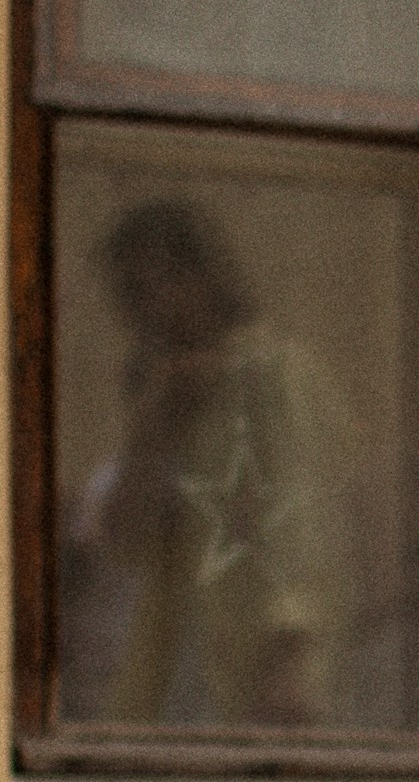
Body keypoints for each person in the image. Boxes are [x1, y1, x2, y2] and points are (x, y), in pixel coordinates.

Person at [83, 195, 353, 728]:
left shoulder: (272, 376)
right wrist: (155, 422)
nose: (147, 311)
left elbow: (304, 533)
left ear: (204, 277)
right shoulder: (163, 395)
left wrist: (290, 665)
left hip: (260, 686)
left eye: (156, 285)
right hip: (166, 690)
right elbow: (121, 542)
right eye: (129, 297)